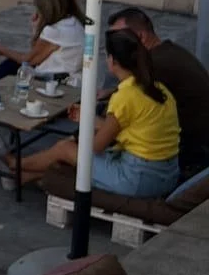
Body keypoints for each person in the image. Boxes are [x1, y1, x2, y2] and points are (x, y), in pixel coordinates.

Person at [11, 27, 180, 199]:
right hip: (168, 174)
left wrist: (75, 140)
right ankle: (22, 176)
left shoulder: (125, 96)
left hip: (138, 177)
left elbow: (96, 147)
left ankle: (16, 164)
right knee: (71, 152)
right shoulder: (159, 89)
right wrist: (88, 119)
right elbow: (125, 125)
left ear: (112, 61)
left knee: (65, 149)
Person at [107, 7, 209, 173]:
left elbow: (123, 116)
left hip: (188, 153)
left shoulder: (154, 66)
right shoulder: (168, 52)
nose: (112, 47)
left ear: (141, 37)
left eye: (118, 40)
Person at [0, 0, 87, 85]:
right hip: (72, 79)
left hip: (55, 81)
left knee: (12, 65)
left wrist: (2, 50)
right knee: (13, 66)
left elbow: (29, 60)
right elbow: (39, 54)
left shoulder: (55, 31)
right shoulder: (74, 23)